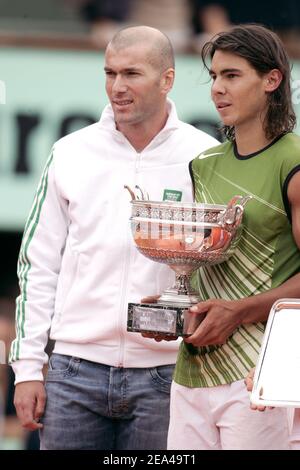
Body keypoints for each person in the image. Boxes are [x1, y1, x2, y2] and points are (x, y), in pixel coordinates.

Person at [9, 25, 218, 450]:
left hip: (167, 372)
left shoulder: (204, 155)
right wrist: (28, 367)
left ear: (167, 79)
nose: (117, 87)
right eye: (110, 73)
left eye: (131, 74)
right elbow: (38, 264)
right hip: (73, 371)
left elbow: (219, 267)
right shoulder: (70, 151)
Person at [166, 24, 300, 450]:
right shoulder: (202, 164)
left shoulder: (294, 162)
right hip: (192, 369)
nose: (217, 89)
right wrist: (173, 305)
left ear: (271, 80)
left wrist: (238, 312)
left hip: (260, 373)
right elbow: (203, 265)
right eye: (214, 77)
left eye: (232, 75)